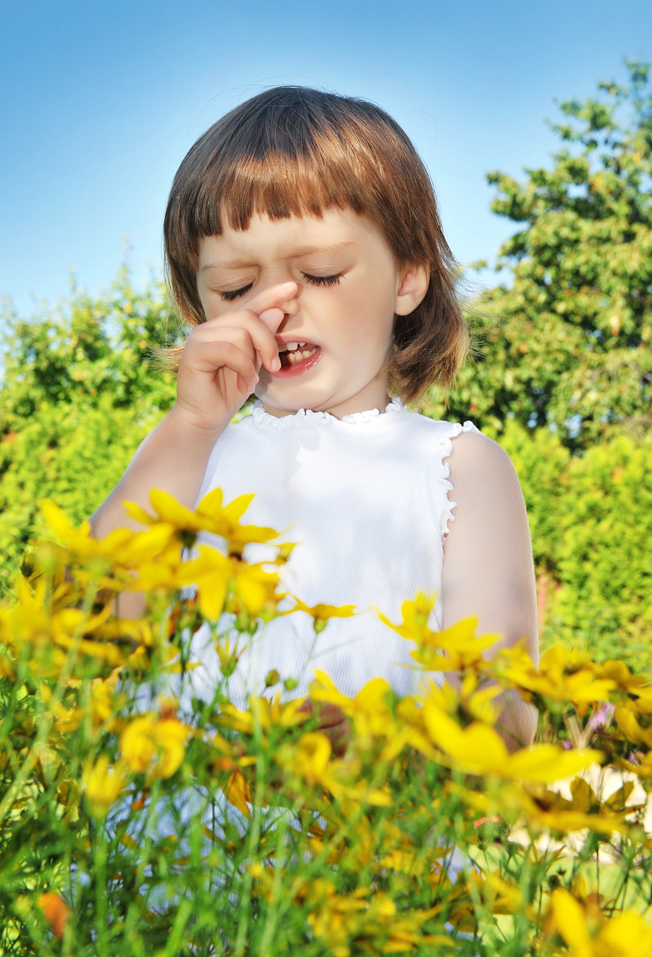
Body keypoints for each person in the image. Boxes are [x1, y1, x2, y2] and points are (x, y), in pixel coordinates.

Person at [90, 86, 539, 750]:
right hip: (179, 839)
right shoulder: (189, 454)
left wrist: (380, 740)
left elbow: (505, 716)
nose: (277, 307)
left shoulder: (456, 466)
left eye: (322, 273)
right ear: (198, 308)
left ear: (407, 276)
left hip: (366, 837)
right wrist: (188, 426)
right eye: (236, 288)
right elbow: (90, 631)